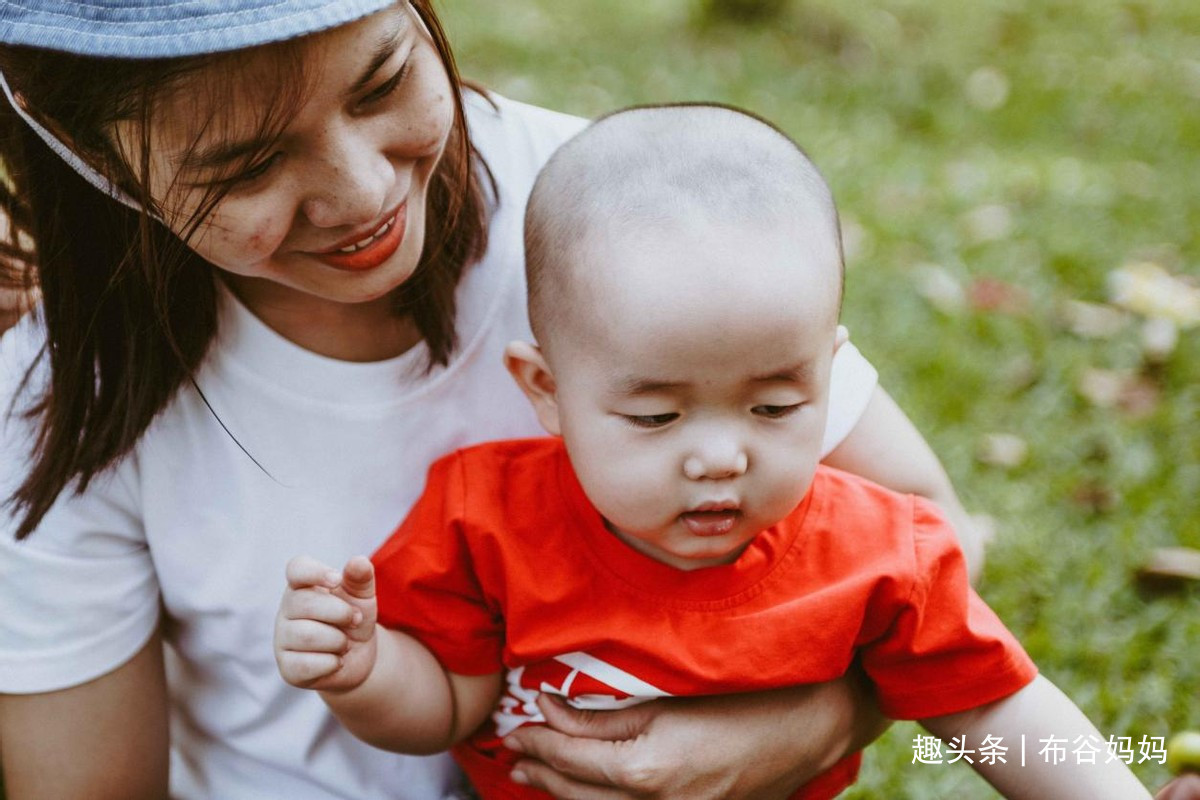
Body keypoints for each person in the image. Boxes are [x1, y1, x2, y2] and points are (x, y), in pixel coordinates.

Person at [0, 3, 983, 798]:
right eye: (247, 165)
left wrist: (807, 723)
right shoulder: (61, 388)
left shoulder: (621, 220)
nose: (362, 192)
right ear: (92, 156)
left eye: (382, 83)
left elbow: (936, 540)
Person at [274, 104, 1151, 800]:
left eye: (774, 405)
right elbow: (448, 706)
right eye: (656, 418)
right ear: (546, 391)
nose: (720, 457)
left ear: (831, 373)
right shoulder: (485, 518)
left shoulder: (879, 558)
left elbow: (1002, 712)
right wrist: (365, 670)